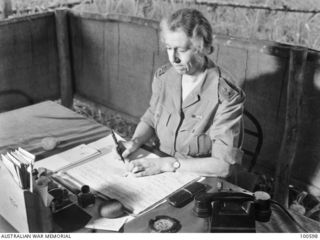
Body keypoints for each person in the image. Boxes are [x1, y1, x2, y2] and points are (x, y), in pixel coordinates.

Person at [120, 8, 245, 177]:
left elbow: (222, 166)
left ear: (202, 48)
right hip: (159, 166)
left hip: (199, 178)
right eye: (169, 48)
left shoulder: (225, 96)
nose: (173, 58)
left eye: (182, 50)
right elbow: (151, 116)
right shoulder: (164, 77)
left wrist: (168, 164)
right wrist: (135, 142)